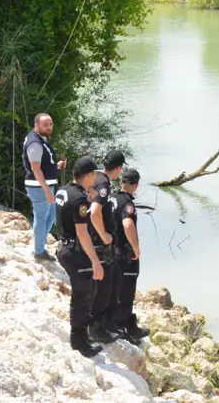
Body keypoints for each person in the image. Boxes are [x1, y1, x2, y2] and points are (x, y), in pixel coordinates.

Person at [56, 155, 105, 358]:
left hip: (64, 247)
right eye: (94, 175)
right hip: (76, 251)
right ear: (89, 175)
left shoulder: (64, 190)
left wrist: (89, 198)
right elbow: (82, 233)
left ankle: (82, 334)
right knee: (83, 295)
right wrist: (95, 261)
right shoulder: (79, 199)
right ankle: (78, 341)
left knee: (88, 290)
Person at [87, 149, 126, 344]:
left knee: (99, 284)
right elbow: (95, 212)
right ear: (118, 168)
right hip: (100, 243)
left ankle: (96, 323)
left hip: (90, 239)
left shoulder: (94, 176)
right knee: (104, 287)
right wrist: (104, 237)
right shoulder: (103, 183)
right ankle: (94, 327)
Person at [109, 167, 150, 343]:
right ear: (136, 185)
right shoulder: (127, 203)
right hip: (124, 253)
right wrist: (135, 247)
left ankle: (114, 322)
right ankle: (126, 328)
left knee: (114, 289)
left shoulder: (111, 198)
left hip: (109, 250)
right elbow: (127, 224)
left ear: (121, 181)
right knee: (126, 291)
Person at [21, 113, 66, 261]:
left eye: (50, 124)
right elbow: (35, 169)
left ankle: (39, 244)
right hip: (39, 188)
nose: (49, 127)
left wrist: (56, 166)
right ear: (36, 125)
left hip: (43, 185)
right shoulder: (35, 143)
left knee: (51, 216)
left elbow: (42, 165)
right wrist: (47, 191)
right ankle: (39, 251)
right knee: (41, 218)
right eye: (45, 125)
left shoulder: (39, 139)